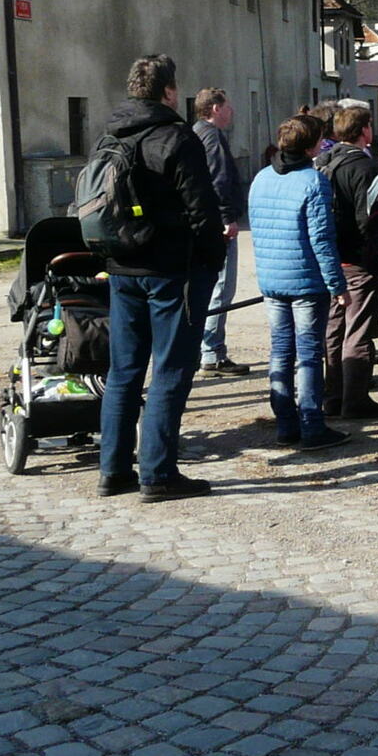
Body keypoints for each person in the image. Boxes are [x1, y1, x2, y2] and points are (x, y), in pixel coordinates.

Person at [97, 55, 225, 502]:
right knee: (171, 369)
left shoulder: (110, 134)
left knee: (124, 371)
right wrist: (213, 257)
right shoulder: (176, 136)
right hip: (172, 268)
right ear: (169, 91)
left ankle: (113, 470)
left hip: (121, 265)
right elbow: (202, 209)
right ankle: (157, 474)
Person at [248, 116, 351, 452]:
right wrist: (337, 284)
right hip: (306, 281)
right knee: (307, 354)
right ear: (310, 146)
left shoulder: (261, 178)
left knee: (281, 350)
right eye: (321, 140)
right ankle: (312, 424)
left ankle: (286, 423)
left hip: (273, 279)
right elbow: (322, 239)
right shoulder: (313, 182)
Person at [315, 105, 378, 419]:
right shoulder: (365, 167)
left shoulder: (323, 163)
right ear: (365, 130)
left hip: (330, 259)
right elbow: (370, 217)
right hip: (358, 260)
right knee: (358, 330)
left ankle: (334, 395)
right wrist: (376, 253)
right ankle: (355, 399)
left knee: (334, 328)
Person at [192, 87, 248, 377]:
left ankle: (210, 349)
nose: (231, 111)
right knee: (221, 287)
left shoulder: (197, 133)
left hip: (203, 223)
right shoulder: (211, 137)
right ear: (215, 108)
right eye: (228, 106)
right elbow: (218, 180)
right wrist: (227, 217)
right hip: (217, 225)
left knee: (213, 287)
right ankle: (212, 353)